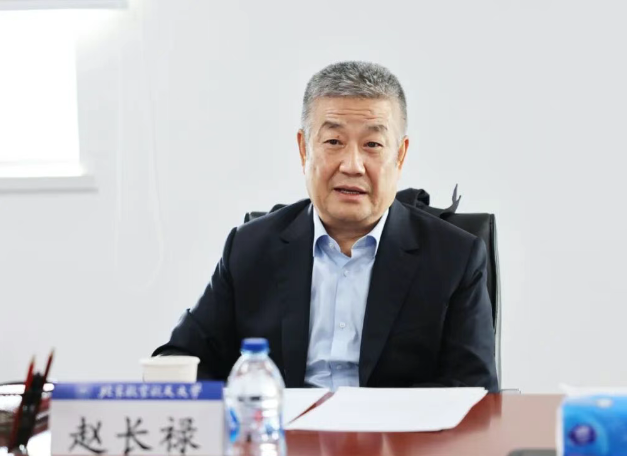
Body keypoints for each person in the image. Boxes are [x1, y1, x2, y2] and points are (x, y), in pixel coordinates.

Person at [153, 61, 498, 391]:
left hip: (396, 433)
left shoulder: (454, 257)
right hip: (283, 430)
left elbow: (475, 389)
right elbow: (182, 360)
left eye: (373, 145)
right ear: (304, 149)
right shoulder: (249, 248)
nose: (352, 165)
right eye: (333, 142)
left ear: (400, 155)